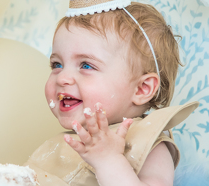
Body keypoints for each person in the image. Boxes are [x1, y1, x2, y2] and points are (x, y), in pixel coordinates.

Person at [24, 1, 199, 185]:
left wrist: (109, 161)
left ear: (142, 89)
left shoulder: (148, 144)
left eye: (86, 65)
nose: (62, 78)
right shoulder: (66, 141)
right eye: (57, 65)